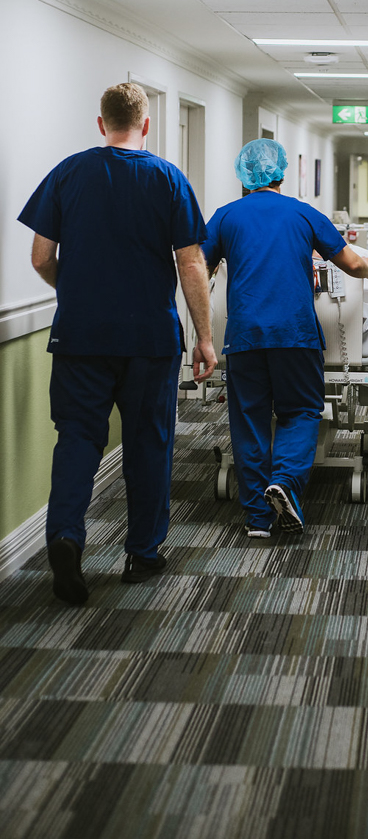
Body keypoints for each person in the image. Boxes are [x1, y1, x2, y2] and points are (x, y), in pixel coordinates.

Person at [18, 83, 217, 607]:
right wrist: (205, 337)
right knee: (149, 442)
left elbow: (40, 257)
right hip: (149, 340)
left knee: (78, 438)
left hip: (80, 336)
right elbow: (191, 262)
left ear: (100, 123)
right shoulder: (168, 179)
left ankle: (64, 536)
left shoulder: (67, 173)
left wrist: (78, 293)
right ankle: (142, 553)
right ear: (146, 125)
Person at [202, 139, 368, 537]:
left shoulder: (225, 217)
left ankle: (257, 519)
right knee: (300, 412)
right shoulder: (303, 214)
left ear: (244, 175)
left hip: (245, 336)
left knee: (249, 420)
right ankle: (283, 482)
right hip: (296, 335)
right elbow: (350, 263)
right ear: (282, 173)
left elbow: (200, 270)